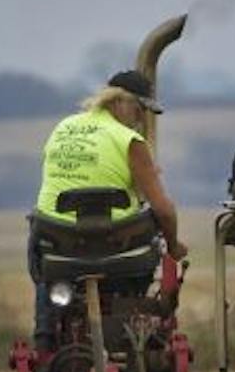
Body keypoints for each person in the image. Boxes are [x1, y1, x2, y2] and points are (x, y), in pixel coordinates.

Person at [28, 70, 187, 346]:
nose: (140, 119)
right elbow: (163, 208)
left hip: (59, 241)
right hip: (116, 248)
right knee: (150, 225)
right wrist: (174, 245)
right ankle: (131, 316)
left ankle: (45, 333)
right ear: (119, 103)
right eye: (139, 110)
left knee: (41, 254)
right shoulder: (130, 141)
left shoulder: (63, 127)